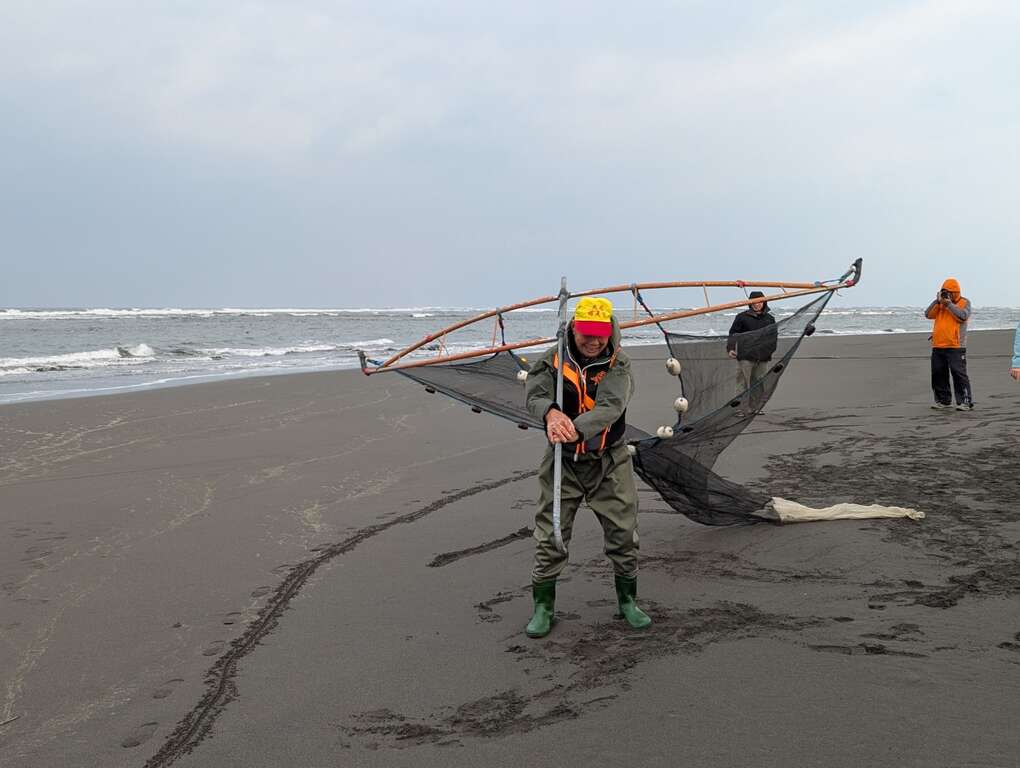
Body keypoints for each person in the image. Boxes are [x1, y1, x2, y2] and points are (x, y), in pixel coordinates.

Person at [523, 297, 651, 638]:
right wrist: (550, 413)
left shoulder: (619, 364)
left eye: (600, 334)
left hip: (609, 461)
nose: (594, 341)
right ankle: (543, 607)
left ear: (611, 331)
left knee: (623, 532)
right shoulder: (552, 359)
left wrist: (574, 428)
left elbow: (610, 406)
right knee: (551, 533)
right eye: (586, 333)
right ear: (573, 329)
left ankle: (627, 601)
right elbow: (534, 394)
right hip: (562, 463)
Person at [924, 278, 973, 410]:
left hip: (956, 346)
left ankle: (965, 401)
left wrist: (949, 304)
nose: (946, 295)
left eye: (948, 292)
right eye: (944, 292)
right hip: (938, 345)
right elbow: (928, 314)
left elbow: (963, 316)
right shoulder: (939, 304)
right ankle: (943, 401)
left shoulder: (964, 302)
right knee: (938, 374)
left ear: (955, 293)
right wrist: (937, 301)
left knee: (958, 374)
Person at [726, 291, 778, 413]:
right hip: (745, 356)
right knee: (742, 383)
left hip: (763, 357)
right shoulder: (741, 317)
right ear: (750, 303)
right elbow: (733, 334)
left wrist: (769, 353)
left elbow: (773, 338)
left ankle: (756, 408)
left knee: (758, 383)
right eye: (754, 302)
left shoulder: (770, 319)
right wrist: (731, 348)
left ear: (764, 302)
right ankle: (740, 409)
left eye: (759, 302)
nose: (757, 304)